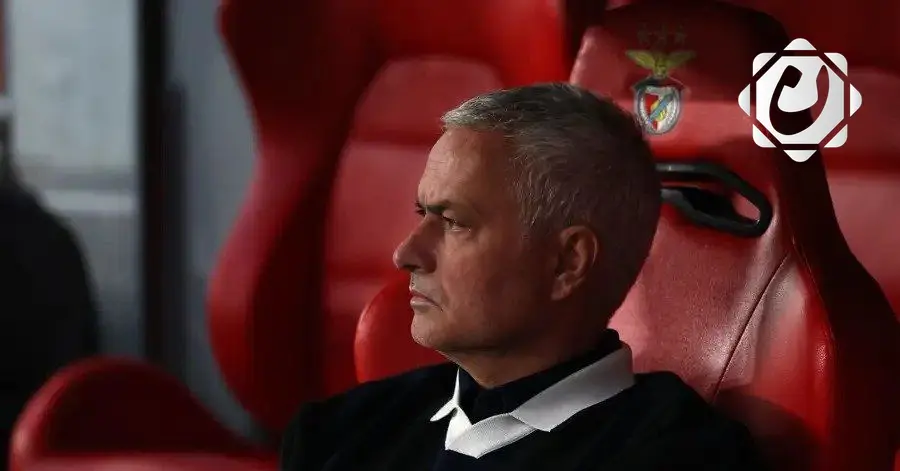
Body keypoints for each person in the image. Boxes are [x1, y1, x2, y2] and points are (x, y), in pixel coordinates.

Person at [280, 83, 765, 470]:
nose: (405, 254)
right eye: (422, 213)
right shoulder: (336, 433)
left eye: (454, 222)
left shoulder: (682, 457)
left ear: (567, 263)